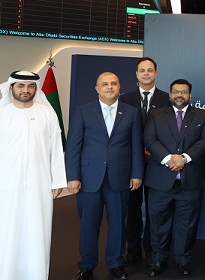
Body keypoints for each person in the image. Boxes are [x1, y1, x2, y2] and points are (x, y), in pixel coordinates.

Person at [65, 72, 144, 280]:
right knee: (88, 225)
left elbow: (136, 146)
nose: (109, 87)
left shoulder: (132, 113)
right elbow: (73, 147)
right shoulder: (82, 111)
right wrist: (72, 176)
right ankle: (87, 265)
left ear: (119, 87)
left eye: (113, 83)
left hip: (120, 177)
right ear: (97, 88)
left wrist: (137, 173)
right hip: (88, 178)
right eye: (105, 84)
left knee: (118, 224)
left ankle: (115, 264)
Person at [0, 70, 68, 280]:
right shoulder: (2, 114)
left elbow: (56, 148)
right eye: (21, 86)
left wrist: (57, 180)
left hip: (40, 183)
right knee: (7, 229)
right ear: (11, 87)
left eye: (30, 86)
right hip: (6, 184)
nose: (26, 90)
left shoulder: (47, 113)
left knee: (37, 230)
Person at [143, 79, 205, 276]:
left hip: (190, 182)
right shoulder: (156, 114)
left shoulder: (203, 115)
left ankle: (183, 259)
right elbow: (149, 139)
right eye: (175, 92)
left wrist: (184, 158)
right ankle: (158, 259)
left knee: (187, 224)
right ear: (170, 95)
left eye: (183, 92)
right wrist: (168, 159)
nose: (179, 95)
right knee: (158, 223)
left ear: (190, 95)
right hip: (160, 181)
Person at [119, 57, 170, 267]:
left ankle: (151, 249)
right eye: (142, 70)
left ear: (156, 73)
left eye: (150, 70)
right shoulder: (124, 98)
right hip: (131, 163)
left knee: (154, 209)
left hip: (157, 163)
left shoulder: (167, 99)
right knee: (132, 209)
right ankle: (133, 250)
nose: (146, 74)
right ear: (136, 74)